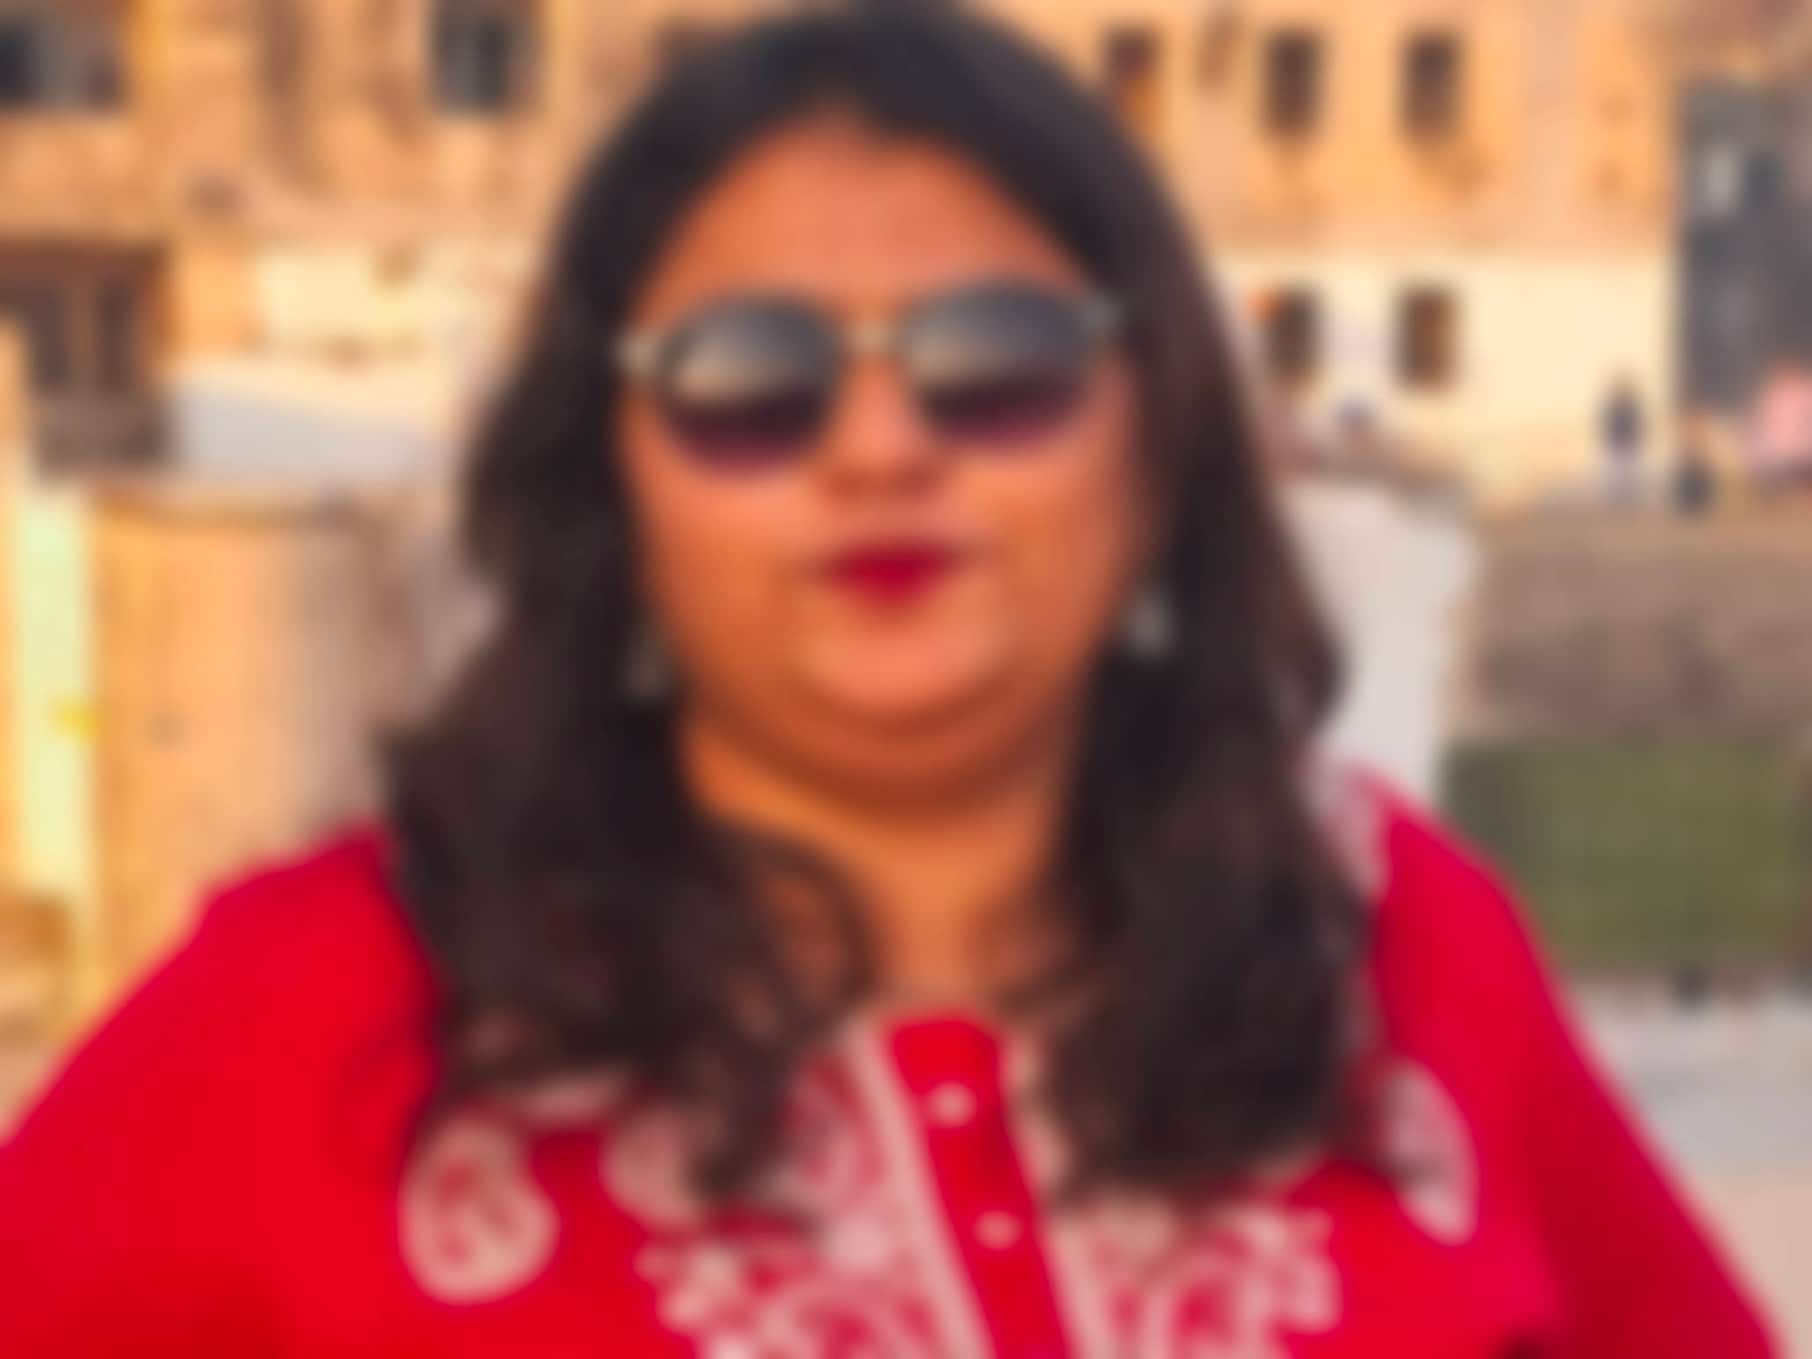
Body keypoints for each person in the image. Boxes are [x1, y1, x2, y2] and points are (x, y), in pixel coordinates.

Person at [0, 6, 1776, 1356]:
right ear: (614, 480)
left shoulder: (1385, 953)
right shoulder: (324, 1012)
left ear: (1154, 437)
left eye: (992, 367)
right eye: (747, 384)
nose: (877, 449)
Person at [1600, 376, 1648, 507]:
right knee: (1617, 474)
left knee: (1630, 474)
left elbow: (1638, 423)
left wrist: (1636, 439)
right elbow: (1608, 425)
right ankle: (1618, 499)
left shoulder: (1631, 406)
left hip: (1629, 444)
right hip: (1618, 444)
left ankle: (1630, 498)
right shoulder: (1614, 407)